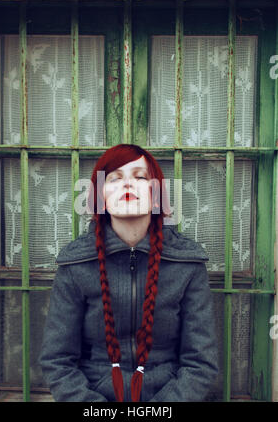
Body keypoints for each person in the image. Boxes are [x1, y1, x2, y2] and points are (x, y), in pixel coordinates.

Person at [39, 144, 218, 402]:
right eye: (115, 178)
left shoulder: (187, 263)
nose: (127, 185)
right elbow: (57, 361)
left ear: (156, 196)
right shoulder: (76, 263)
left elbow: (201, 363)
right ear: (100, 197)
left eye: (140, 177)